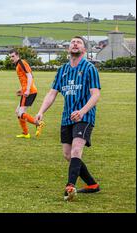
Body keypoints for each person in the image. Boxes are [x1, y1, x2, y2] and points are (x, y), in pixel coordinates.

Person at [35, 36, 101, 201]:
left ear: (84, 50)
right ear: (68, 48)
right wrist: (41, 111)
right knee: (67, 154)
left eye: (79, 42)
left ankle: (70, 186)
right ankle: (92, 185)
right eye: (72, 42)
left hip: (84, 116)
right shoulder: (62, 70)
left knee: (76, 150)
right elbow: (52, 93)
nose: (75, 44)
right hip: (67, 118)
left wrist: (83, 111)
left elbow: (96, 94)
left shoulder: (89, 68)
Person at [9, 49, 45, 139]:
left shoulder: (21, 63)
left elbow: (30, 76)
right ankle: (26, 133)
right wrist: (22, 89)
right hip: (26, 91)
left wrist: (27, 90)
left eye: (13, 56)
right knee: (18, 112)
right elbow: (26, 78)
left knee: (20, 113)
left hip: (30, 92)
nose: (11, 58)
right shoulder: (18, 64)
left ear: (17, 55)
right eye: (10, 56)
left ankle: (39, 123)